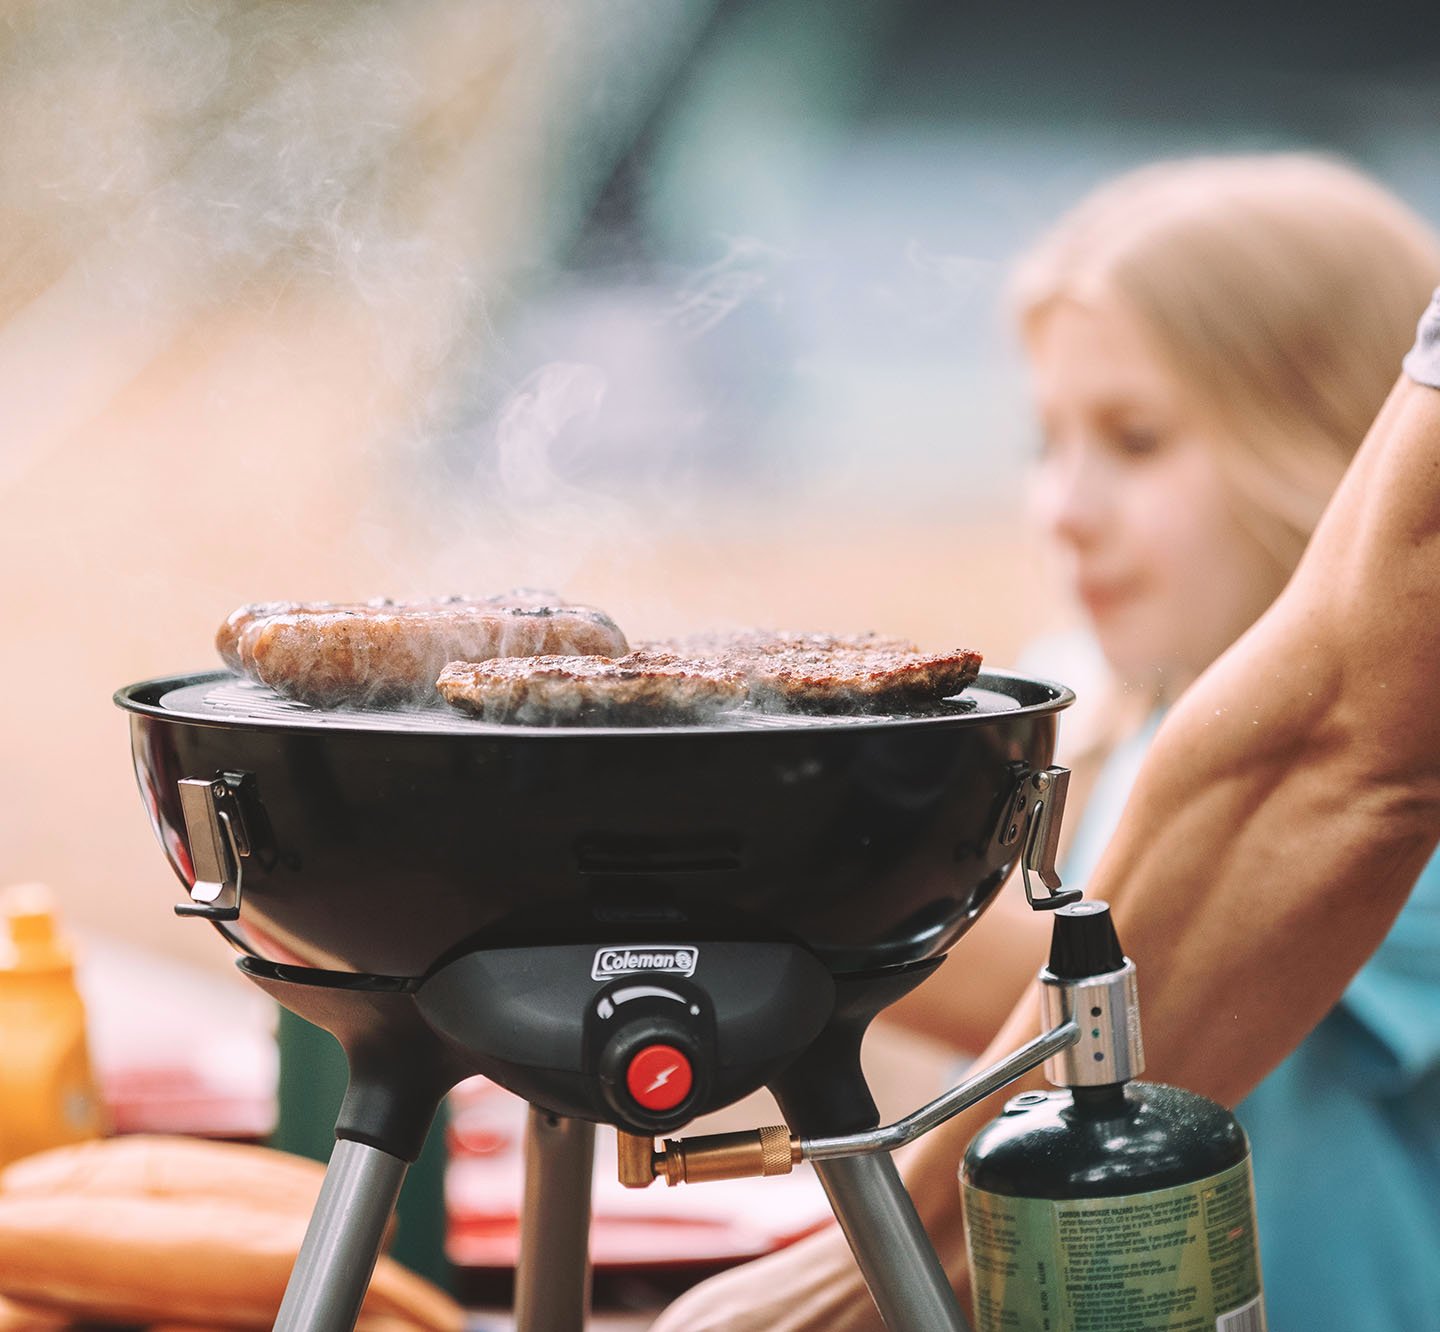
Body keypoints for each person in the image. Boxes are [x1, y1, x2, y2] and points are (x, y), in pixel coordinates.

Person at [651, 157, 1440, 1331]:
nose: (1063, 508)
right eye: (1046, 441)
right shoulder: (1126, 706)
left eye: (1135, 441)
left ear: (1339, 455)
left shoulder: (1377, 810)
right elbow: (1041, 980)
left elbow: (1119, 970)